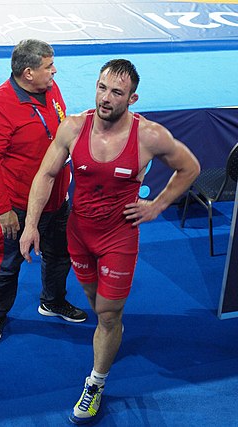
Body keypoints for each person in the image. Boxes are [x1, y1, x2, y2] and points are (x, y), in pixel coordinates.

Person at [19, 59, 200, 423]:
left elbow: (190, 167)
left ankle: (96, 383)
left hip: (119, 237)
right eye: (102, 88)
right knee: (97, 304)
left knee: (108, 313)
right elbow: (46, 174)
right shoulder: (72, 127)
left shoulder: (149, 135)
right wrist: (30, 225)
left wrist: (158, 205)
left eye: (116, 92)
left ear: (132, 98)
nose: (105, 98)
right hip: (79, 234)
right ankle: (111, 326)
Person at [0, 39, 87, 345]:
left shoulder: (51, 90)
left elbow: (61, 131)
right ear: (28, 73)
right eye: (49, 66)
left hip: (57, 198)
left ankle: (52, 301)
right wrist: (3, 210)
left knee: (59, 254)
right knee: (7, 263)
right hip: (18, 206)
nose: (55, 71)